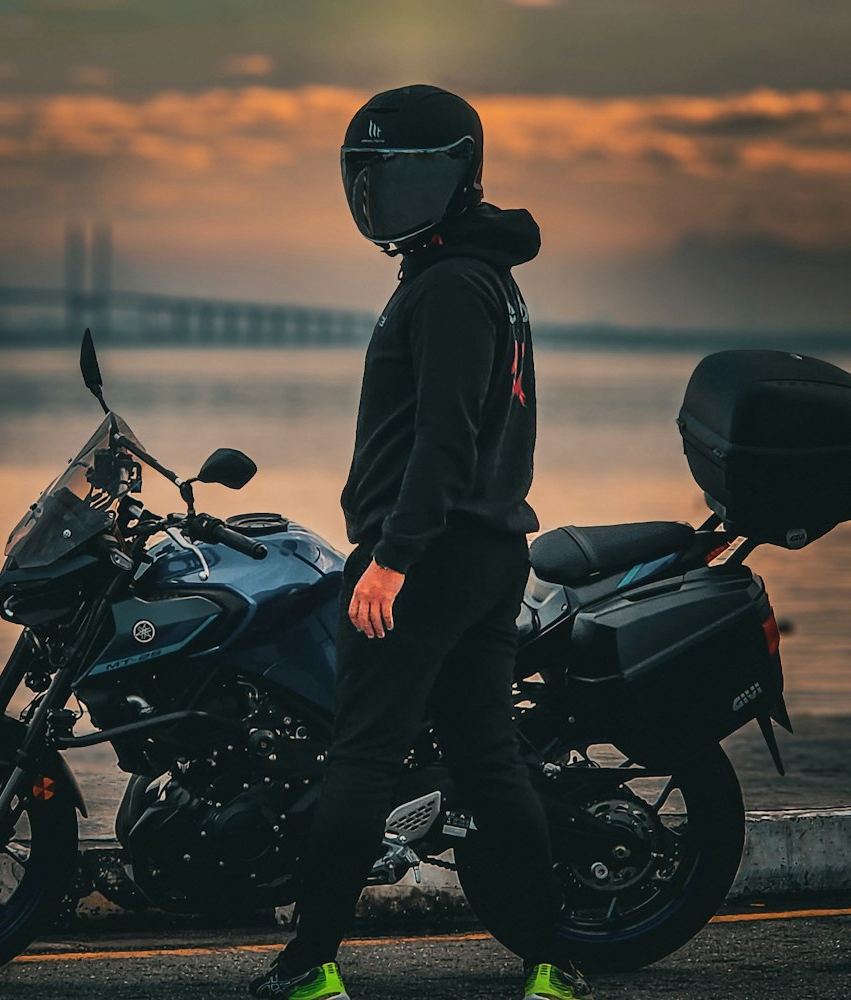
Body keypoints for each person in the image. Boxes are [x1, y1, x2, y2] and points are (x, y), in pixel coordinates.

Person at [250, 84, 596, 1000]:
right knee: (490, 761)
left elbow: (446, 440)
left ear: (458, 177)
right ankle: (553, 967)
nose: (379, 198)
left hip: (427, 558)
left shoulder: (448, 288)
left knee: (361, 758)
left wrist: (392, 561)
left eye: (400, 178)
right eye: (367, 177)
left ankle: (309, 965)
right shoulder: (481, 278)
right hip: (485, 556)